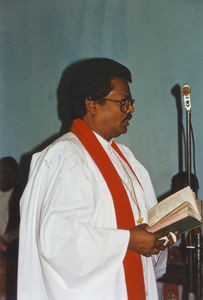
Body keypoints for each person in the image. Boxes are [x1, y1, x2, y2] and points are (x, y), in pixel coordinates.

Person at [18, 58, 178, 300]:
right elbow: (58, 241)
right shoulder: (66, 156)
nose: (131, 110)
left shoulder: (124, 158)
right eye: (123, 102)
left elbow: (142, 224)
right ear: (92, 104)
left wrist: (157, 238)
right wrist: (128, 240)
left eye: (131, 102)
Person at [0, 157, 19, 300]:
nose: (3, 176)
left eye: (7, 172)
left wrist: (7, 239)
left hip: (12, 256)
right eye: (1, 172)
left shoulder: (21, 197)